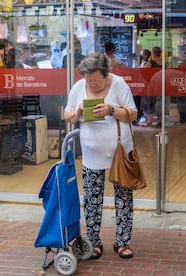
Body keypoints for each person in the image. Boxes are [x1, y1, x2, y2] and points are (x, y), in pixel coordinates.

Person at [64, 53, 137, 259]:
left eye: (96, 79)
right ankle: (94, 242)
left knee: (123, 198)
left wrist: (111, 110)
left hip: (120, 152)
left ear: (106, 74)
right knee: (92, 200)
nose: (92, 84)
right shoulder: (78, 88)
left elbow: (132, 113)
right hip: (91, 153)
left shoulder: (119, 84)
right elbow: (67, 116)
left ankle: (123, 243)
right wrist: (77, 113)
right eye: (89, 80)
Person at [142, 46, 162, 127]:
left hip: (151, 86)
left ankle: (149, 121)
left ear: (153, 54)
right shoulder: (163, 63)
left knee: (149, 103)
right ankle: (160, 121)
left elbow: (143, 73)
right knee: (160, 103)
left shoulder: (150, 63)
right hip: (160, 85)